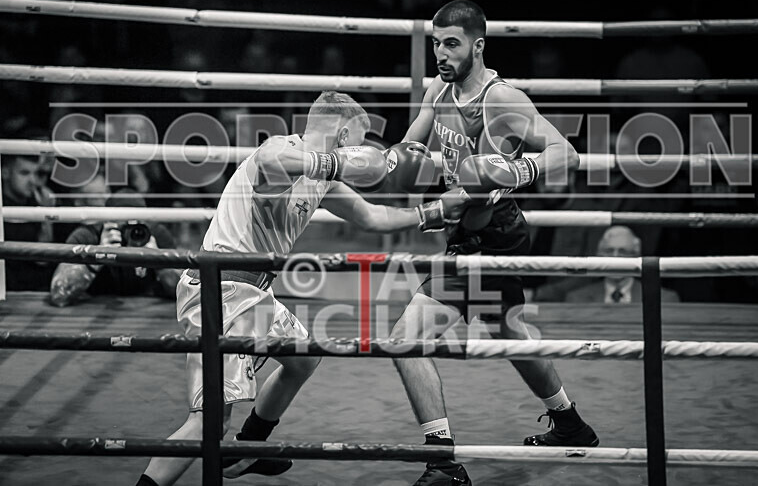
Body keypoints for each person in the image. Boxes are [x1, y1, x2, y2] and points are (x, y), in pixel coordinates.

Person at [136, 91, 467, 486]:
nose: (360, 156)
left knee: (305, 358)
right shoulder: (282, 149)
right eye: (358, 145)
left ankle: (248, 448)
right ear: (343, 136)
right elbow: (269, 161)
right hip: (221, 292)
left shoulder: (323, 181)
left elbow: (373, 216)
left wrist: (432, 211)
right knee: (208, 422)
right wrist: (331, 161)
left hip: (255, 294)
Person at [387, 0, 595, 486]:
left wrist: (517, 169)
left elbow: (568, 154)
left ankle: (442, 462)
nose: (441, 53)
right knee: (509, 335)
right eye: (436, 43)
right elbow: (410, 149)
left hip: (492, 233)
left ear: (477, 46)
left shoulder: (503, 99)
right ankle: (569, 423)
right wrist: (391, 161)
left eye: (452, 44)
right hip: (470, 228)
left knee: (403, 341)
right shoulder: (438, 91)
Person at [49, 190, 180, 306]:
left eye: (137, 223)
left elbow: (185, 293)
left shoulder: (155, 235)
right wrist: (97, 255)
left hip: (145, 311)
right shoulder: (87, 236)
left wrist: (159, 262)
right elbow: (60, 294)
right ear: (107, 221)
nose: (132, 231)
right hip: (92, 310)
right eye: (124, 223)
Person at [565, 226, 681, 303]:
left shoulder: (663, 299)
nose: (615, 257)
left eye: (623, 251)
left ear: (636, 257)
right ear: (599, 256)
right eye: (609, 251)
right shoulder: (576, 298)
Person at [1, 152, 56, 290]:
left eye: (35, 173)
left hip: (34, 287)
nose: (32, 180)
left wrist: (46, 214)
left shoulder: (39, 202)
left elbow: (42, 260)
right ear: (5, 173)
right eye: (24, 173)